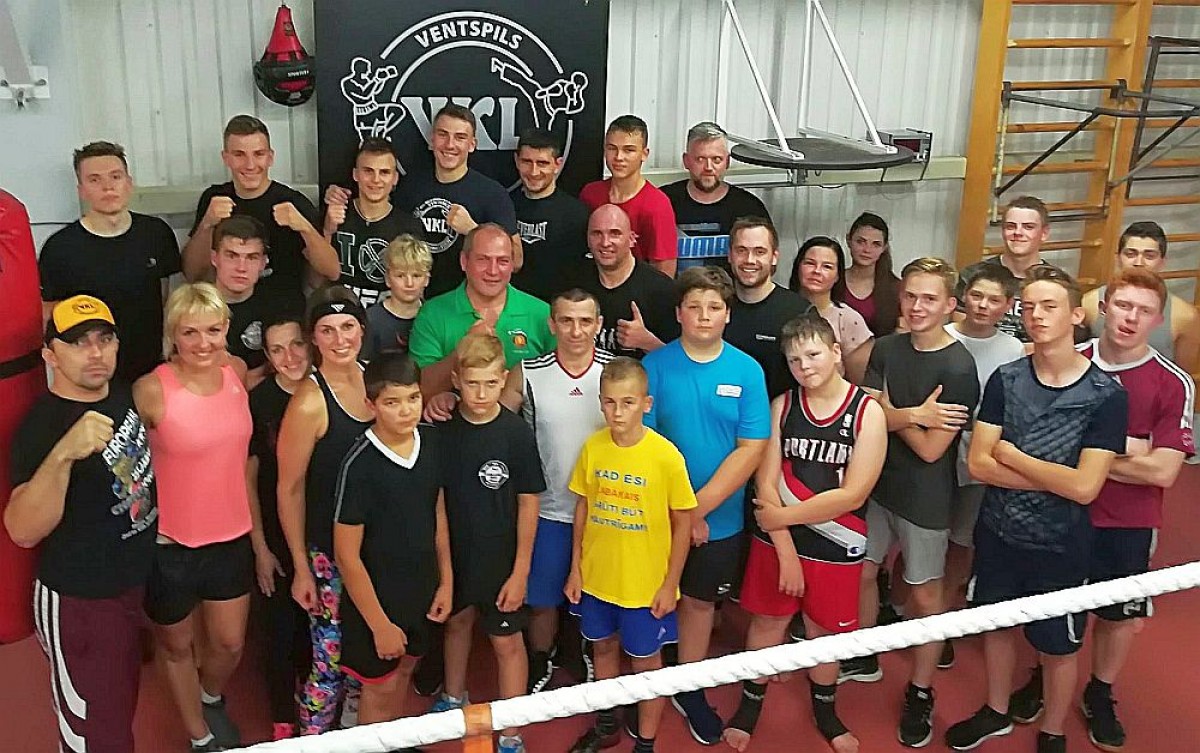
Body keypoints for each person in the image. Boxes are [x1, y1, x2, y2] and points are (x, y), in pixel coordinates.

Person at [1007, 270, 1193, 751]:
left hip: (1128, 522)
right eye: (1123, 305)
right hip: (1060, 512)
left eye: (1144, 311)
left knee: (1117, 616)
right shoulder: (1065, 360)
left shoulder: (1172, 382)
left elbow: (1163, 471)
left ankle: (1101, 690)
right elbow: (1033, 443)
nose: (1131, 318)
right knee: (1053, 605)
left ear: (1158, 320)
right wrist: (1129, 448)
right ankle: (1044, 675)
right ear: (1103, 308)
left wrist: (1085, 455)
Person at [944, 266, 1127, 753]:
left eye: (1049, 306)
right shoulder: (1006, 379)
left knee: (1058, 646)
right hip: (999, 532)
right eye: (1028, 307)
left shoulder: (1106, 396)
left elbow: (1086, 488)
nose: (1037, 315)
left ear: (1077, 315)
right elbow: (980, 463)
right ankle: (996, 710)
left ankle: (1053, 730)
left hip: (1061, 544)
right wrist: (1054, 477)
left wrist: (1015, 456)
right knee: (997, 628)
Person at [723, 314, 887, 753]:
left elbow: (854, 493)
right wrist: (784, 547)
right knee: (767, 622)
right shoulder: (783, 405)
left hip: (837, 539)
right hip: (779, 540)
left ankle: (826, 712)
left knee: (825, 633)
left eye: (813, 354)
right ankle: (749, 707)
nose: (804, 366)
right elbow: (765, 482)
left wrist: (783, 519)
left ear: (835, 352)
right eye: (795, 360)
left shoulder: (867, 412)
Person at [6, 295, 157, 753]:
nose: (95, 352)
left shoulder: (120, 394)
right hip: (80, 603)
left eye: (103, 339)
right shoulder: (42, 427)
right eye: (77, 343)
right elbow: (22, 529)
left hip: (129, 587)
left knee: (118, 714)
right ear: (50, 356)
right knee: (94, 738)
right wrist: (64, 453)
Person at [852, 258, 979, 748]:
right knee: (864, 572)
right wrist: (914, 414)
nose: (917, 306)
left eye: (930, 298)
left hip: (926, 496)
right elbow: (867, 416)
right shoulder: (886, 347)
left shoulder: (958, 367)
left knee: (925, 595)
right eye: (910, 295)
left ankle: (921, 691)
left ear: (950, 305)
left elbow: (930, 449)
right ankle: (863, 653)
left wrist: (892, 413)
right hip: (878, 481)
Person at [642, 267, 771, 744]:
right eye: (693, 306)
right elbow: (646, 446)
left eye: (714, 307)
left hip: (719, 519)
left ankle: (687, 687)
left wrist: (695, 512)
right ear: (678, 313)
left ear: (727, 315)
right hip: (658, 515)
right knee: (651, 600)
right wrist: (678, 513)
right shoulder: (654, 367)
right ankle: (645, 688)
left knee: (699, 604)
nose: (703, 315)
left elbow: (751, 448)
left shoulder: (747, 371)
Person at [134, 283, 265, 752]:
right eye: (190, 332)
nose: (203, 342)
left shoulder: (236, 372)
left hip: (231, 535)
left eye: (212, 330)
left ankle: (209, 695)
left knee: (229, 644)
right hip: (170, 543)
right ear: (173, 335)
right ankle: (199, 735)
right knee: (176, 646)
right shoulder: (151, 389)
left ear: (226, 329)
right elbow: (127, 468)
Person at [565, 357, 697, 753]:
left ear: (646, 403)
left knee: (646, 664)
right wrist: (575, 568)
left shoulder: (666, 456)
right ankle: (607, 724)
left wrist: (670, 584)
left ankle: (646, 743)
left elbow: (684, 522)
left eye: (627, 402)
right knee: (602, 648)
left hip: (645, 586)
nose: (617, 412)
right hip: (597, 579)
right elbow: (583, 507)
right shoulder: (593, 447)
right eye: (609, 402)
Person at [428, 332, 545, 753]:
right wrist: (444, 572)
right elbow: (438, 503)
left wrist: (521, 571)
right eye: (472, 383)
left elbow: (529, 501)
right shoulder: (442, 432)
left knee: (507, 642)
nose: (481, 393)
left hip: (501, 558)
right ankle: (452, 696)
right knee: (456, 624)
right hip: (456, 555)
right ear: (456, 380)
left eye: (491, 383)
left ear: (503, 380)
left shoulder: (515, 433)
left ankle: (511, 730)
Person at [333, 352, 453, 726]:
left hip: (421, 591)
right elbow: (347, 555)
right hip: (378, 602)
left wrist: (446, 581)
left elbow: (438, 513)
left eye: (413, 398)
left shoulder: (432, 443)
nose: (406, 410)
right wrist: (379, 625)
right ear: (371, 405)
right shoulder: (359, 465)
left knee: (404, 672)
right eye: (392, 402)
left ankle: (393, 742)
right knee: (380, 689)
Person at [502, 288, 612, 692]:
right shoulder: (528, 372)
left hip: (603, 511)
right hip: (546, 508)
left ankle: (576, 651)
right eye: (566, 320)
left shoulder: (617, 372)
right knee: (543, 599)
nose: (576, 330)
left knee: (592, 595)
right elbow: (496, 426)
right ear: (552, 324)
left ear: (599, 325)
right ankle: (539, 658)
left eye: (585, 321)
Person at [276, 287, 373, 735]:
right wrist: (301, 566)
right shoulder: (309, 401)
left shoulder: (374, 381)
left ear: (362, 330)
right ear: (314, 338)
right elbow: (289, 489)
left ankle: (357, 734)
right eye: (327, 331)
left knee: (367, 650)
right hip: (329, 553)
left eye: (348, 327)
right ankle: (313, 739)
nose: (340, 340)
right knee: (328, 658)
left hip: (373, 545)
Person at [38, 141, 181, 382]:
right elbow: (49, 317)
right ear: (82, 190)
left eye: (115, 177)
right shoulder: (59, 248)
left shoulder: (156, 233)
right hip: (93, 375)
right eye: (95, 180)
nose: (108, 187)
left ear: (129, 183)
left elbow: (169, 300)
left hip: (151, 369)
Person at [942, 265, 1024, 661]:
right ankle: (908, 605)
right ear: (963, 296)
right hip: (934, 445)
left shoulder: (1012, 349)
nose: (982, 306)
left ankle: (942, 620)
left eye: (994, 300)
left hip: (981, 450)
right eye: (977, 296)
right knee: (926, 532)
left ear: (1007, 306)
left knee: (961, 539)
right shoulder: (943, 334)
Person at [184, 115, 339, 309]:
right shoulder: (213, 199)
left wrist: (304, 227)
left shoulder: (293, 202)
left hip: (283, 313)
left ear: (270, 157)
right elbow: (193, 274)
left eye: (258, 154)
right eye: (239, 154)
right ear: (226, 158)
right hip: (227, 311)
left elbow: (331, 271)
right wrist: (207, 224)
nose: (250, 165)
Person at [248, 313, 315, 741]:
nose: (289, 357)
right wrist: (259, 547)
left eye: (295, 345)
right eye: (277, 350)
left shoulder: (327, 390)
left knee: (317, 629)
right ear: (268, 358)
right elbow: (248, 477)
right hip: (275, 531)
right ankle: (281, 717)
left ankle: (317, 708)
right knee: (279, 630)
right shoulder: (260, 402)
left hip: (322, 531)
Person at [408, 223, 553, 396]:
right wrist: (463, 349)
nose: (493, 271)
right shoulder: (432, 313)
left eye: (503, 261)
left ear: (512, 265)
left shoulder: (542, 313)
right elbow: (420, 390)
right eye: (483, 260)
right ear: (464, 261)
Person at [396, 104, 521, 297]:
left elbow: (517, 260)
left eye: (460, 137)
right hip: (414, 299)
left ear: (472, 145)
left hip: (467, 302)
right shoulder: (410, 186)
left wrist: (473, 231)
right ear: (432, 139)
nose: (450, 145)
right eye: (443, 135)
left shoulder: (492, 193)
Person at [1083, 220, 1200, 373]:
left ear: (1162, 262)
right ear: (1118, 258)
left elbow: (1183, 375)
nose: (1139, 262)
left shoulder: (1185, 316)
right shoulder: (1089, 303)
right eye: (1130, 254)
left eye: (1149, 256)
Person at [323, 137, 426, 307]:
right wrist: (327, 231)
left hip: (386, 314)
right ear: (355, 174)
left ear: (395, 178)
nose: (376, 179)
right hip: (340, 312)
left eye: (384, 172)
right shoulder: (334, 214)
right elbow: (315, 280)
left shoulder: (409, 226)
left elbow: (415, 291)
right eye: (368, 171)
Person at [661, 122, 771, 273]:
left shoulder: (749, 208)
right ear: (686, 161)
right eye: (700, 159)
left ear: (727, 162)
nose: (708, 167)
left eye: (716, 159)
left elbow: (766, 264)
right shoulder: (662, 202)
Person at [724, 217, 814, 398]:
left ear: (774, 257)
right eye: (741, 250)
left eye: (760, 252)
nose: (749, 260)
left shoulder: (798, 312)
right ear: (730, 255)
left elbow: (817, 378)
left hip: (780, 413)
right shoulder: (715, 307)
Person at [575, 204, 679, 360]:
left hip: (642, 374)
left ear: (631, 239)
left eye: (615, 234)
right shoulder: (574, 283)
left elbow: (681, 364)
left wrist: (647, 343)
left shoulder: (662, 290)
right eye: (597, 234)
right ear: (587, 240)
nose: (605, 242)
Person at [580, 115, 678, 277]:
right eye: (612, 148)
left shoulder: (657, 205)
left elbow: (664, 273)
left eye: (629, 150)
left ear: (644, 154)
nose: (619, 157)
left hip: (638, 289)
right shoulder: (590, 194)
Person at [956, 196, 1059, 345]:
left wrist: (1016, 352)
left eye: (1028, 227)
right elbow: (963, 336)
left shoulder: (1056, 283)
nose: (1018, 232)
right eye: (1011, 226)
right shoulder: (972, 275)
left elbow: (1056, 338)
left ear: (1044, 233)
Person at [509, 128, 591, 301]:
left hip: (557, 310)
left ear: (557, 164)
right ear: (516, 160)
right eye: (526, 161)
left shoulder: (578, 214)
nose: (533, 171)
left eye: (542, 163)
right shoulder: (504, 205)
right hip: (511, 307)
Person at [791, 237, 874, 384]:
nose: (817, 271)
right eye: (810, 263)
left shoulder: (848, 319)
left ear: (837, 276)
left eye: (827, 267)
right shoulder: (779, 309)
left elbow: (861, 383)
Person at [210, 215, 280, 387]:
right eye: (232, 256)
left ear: (263, 263)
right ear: (214, 258)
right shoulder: (193, 309)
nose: (241, 268)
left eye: (251, 257)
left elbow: (287, 367)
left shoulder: (278, 308)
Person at [361, 234, 433, 361]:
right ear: (388, 279)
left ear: (427, 279)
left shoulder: (435, 317)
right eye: (400, 276)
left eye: (416, 276)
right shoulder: (371, 320)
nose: (409, 283)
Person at [832, 212, 901, 337]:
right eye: (860, 241)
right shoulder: (833, 281)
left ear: (884, 247)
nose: (867, 250)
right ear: (848, 240)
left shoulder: (896, 288)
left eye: (876, 244)